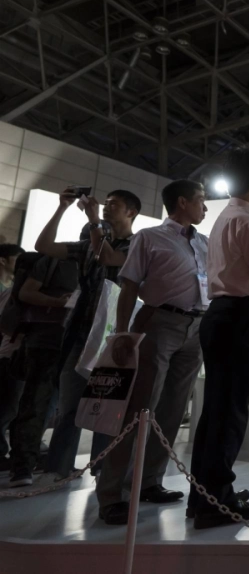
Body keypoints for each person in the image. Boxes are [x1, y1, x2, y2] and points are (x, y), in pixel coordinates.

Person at [95, 180, 208, 524]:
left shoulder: (204, 242)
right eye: (201, 200)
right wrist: (123, 334)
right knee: (139, 408)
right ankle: (112, 494)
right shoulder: (149, 237)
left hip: (196, 327)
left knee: (173, 409)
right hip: (159, 322)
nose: (205, 207)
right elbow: (129, 286)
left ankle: (149, 482)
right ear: (182, 202)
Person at [188, 151, 249, 529]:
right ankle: (217, 501)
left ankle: (205, 496)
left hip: (221, 315)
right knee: (230, 412)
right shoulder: (248, 221)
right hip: (242, 317)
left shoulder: (224, 219)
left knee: (216, 410)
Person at [35, 189, 140, 481]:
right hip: (80, 333)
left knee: (108, 408)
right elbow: (43, 245)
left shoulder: (137, 245)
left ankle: (104, 469)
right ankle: (58, 469)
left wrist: (93, 220)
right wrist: (62, 208)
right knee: (70, 406)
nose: (106, 208)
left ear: (131, 212)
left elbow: (108, 257)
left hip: (113, 336)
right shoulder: (87, 245)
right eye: (105, 204)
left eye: (114, 205)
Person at [7, 252, 79, 487]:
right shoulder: (55, 260)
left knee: (65, 408)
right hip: (46, 340)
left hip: (76, 343)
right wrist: (57, 302)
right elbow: (26, 292)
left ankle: (58, 463)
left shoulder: (99, 266)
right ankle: (22, 466)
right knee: (36, 404)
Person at [0, 244, 24, 472]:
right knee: (7, 408)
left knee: (10, 407)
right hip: (9, 356)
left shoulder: (10, 289)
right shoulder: (13, 292)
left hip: (9, 355)